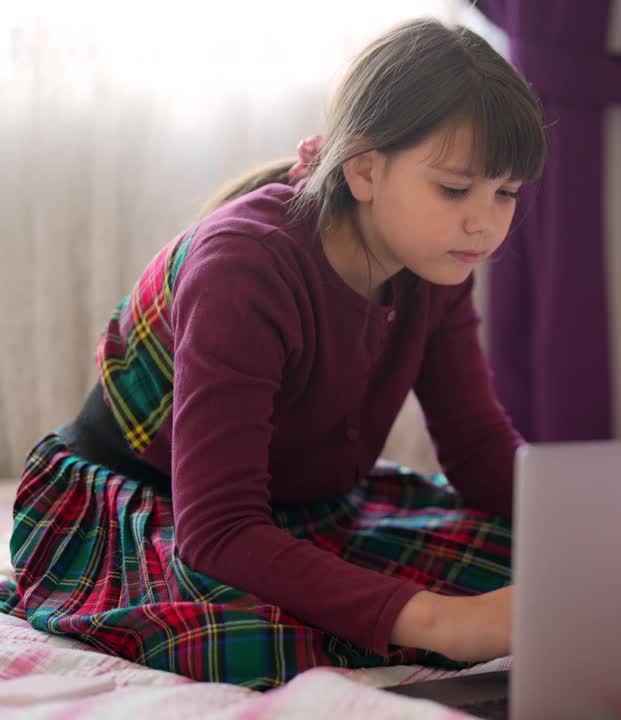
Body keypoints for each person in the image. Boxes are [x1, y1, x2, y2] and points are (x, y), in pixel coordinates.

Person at [0, 17, 545, 689]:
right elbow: (220, 530)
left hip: (302, 504)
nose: (485, 223)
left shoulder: (435, 259)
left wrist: (592, 523)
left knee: (553, 574)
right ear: (365, 169)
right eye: (456, 189)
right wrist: (437, 621)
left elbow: (475, 447)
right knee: (250, 642)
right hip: (151, 507)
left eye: (507, 194)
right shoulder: (245, 267)